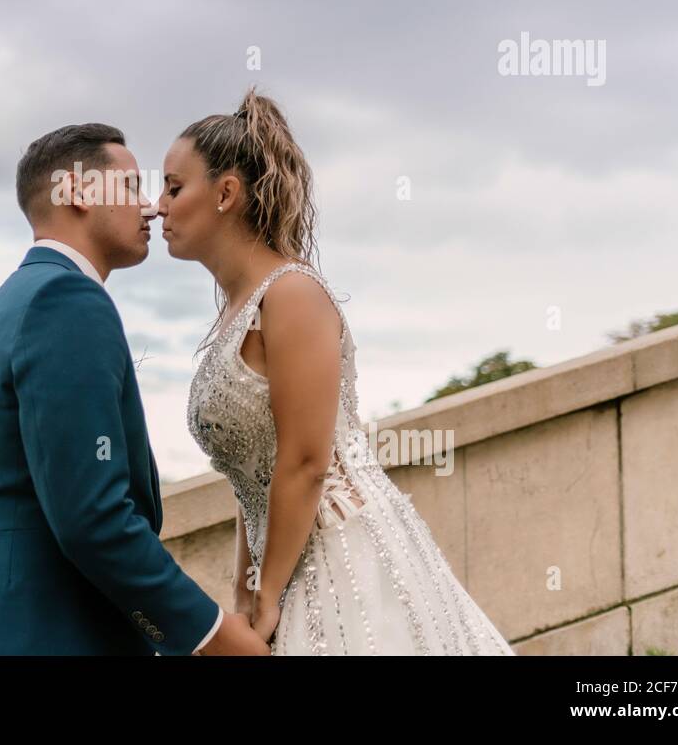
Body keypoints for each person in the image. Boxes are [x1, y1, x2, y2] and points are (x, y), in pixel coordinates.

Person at [157, 86, 515, 656]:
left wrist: (266, 595)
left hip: (345, 556)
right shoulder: (234, 313)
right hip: (281, 566)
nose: (158, 206)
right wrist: (245, 592)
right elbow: (254, 476)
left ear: (226, 193)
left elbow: (304, 461)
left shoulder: (292, 294)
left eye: (174, 188)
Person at [0, 123, 267, 656]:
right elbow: (93, 519)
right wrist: (211, 635)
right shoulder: (66, 299)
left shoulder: (18, 297)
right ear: (81, 193)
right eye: (132, 187)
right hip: (45, 633)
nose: (151, 208)